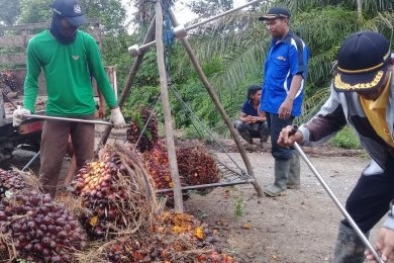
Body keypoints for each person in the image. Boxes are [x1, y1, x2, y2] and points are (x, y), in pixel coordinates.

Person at [278, 31, 394, 263]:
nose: (361, 91)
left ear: (389, 65)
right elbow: (331, 116)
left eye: (369, 84)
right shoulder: (347, 85)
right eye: (355, 86)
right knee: (356, 211)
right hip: (387, 159)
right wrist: (301, 134)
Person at [12, 0, 126, 197]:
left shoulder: (86, 41)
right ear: (56, 18)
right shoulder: (37, 44)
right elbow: (31, 81)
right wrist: (27, 108)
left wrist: (115, 109)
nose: (73, 28)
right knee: (49, 167)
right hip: (56, 114)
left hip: (84, 113)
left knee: (87, 167)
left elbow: (100, 75)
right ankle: (45, 211)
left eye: (77, 24)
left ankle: (85, 209)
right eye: (69, 23)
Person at [258, 6, 309, 196]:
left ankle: (280, 183)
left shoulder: (296, 44)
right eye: (267, 23)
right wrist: (263, 102)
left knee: (280, 142)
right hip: (271, 102)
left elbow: (298, 74)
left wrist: (288, 101)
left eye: (273, 22)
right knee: (287, 138)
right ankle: (293, 180)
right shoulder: (274, 44)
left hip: (284, 103)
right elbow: (269, 76)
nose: (269, 27)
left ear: (285, 20)